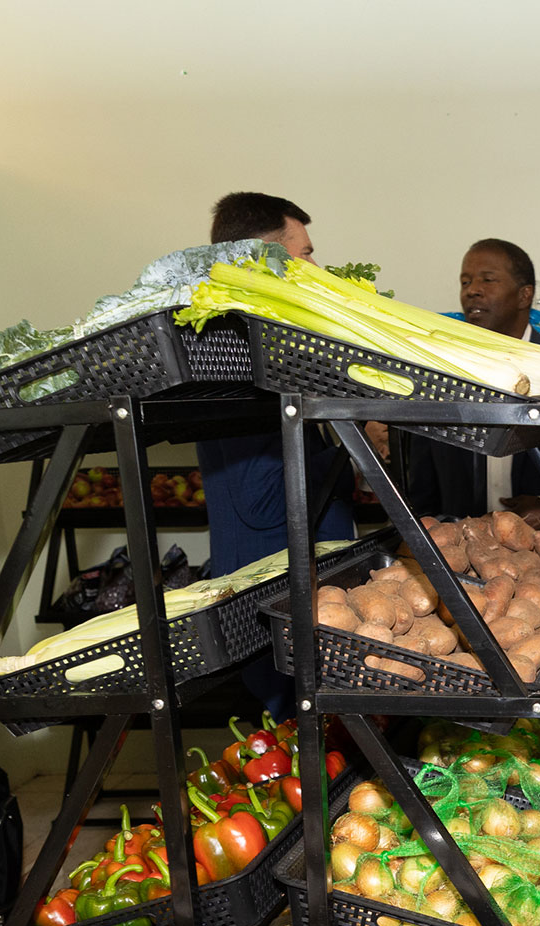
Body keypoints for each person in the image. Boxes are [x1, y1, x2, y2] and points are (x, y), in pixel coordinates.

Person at [194, 191, 358, 714]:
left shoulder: (268, 342)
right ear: (265, 256)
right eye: (305, 253)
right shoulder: (236, 351)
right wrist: (348, 441)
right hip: (272, 611)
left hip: (301, 601)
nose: (315, 264)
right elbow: (263, 501)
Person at [403, 238, 540, 535]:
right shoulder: (442, 372)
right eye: (465, 281)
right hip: (461, 550)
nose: (472, 290)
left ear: (525, 295)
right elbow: (422, 479)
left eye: (488, 280)